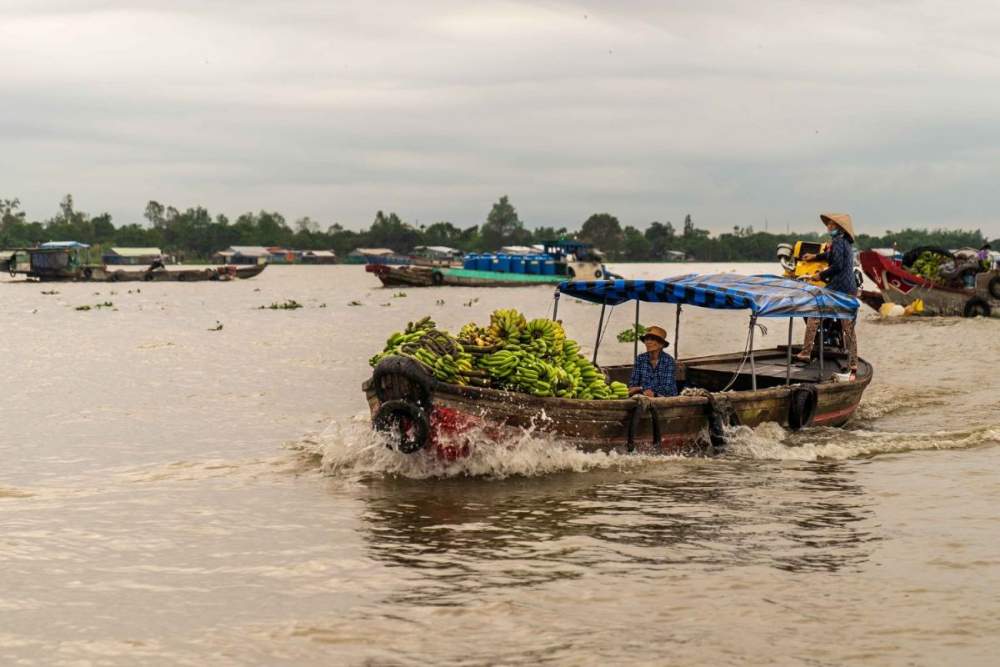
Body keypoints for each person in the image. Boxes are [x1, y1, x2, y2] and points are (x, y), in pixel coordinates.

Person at [794, 213, 859, 378]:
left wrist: (819, 276)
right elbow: (830, 256)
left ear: (839, 228)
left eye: (831, 224)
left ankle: (806, 352)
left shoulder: (837, 242)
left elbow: (836, 265)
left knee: (814, 312)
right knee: (848, 327)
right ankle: (853, 363)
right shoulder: (844, 243)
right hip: (849, 288)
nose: (828, 227)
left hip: (838, 288)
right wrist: (814, 257)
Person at [627, 325, 678, 398]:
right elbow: (633, 384)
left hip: (666, 399)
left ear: (661, 344)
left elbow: (667, 388)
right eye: (647, 339)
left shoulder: (668, 361)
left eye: (652, 339)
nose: (648, 342)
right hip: (644, 397)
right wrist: (642, 390)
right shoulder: (640, 359)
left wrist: (641, 388)